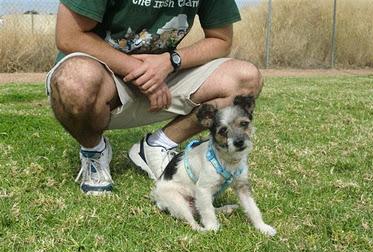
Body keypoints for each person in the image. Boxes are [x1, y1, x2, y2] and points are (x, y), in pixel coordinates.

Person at [45, 0, 263, 195]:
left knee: (246, 79)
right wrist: (140, 71)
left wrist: (171, 62)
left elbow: (221, 39)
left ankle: (157, 145)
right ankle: (93, 150)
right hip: (104, 79)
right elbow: (69, 35)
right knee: (74, 81)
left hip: (163, 75)